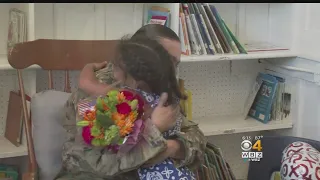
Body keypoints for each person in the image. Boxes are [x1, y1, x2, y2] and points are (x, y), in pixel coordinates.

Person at [56, 25, 206, 180]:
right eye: (167, 59)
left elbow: (194, 135)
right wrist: (153, 136)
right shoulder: (97, 93)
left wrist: (174, 147)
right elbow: (95, 165)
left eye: (176, 64)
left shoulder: (159, 87)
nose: (171, 70)